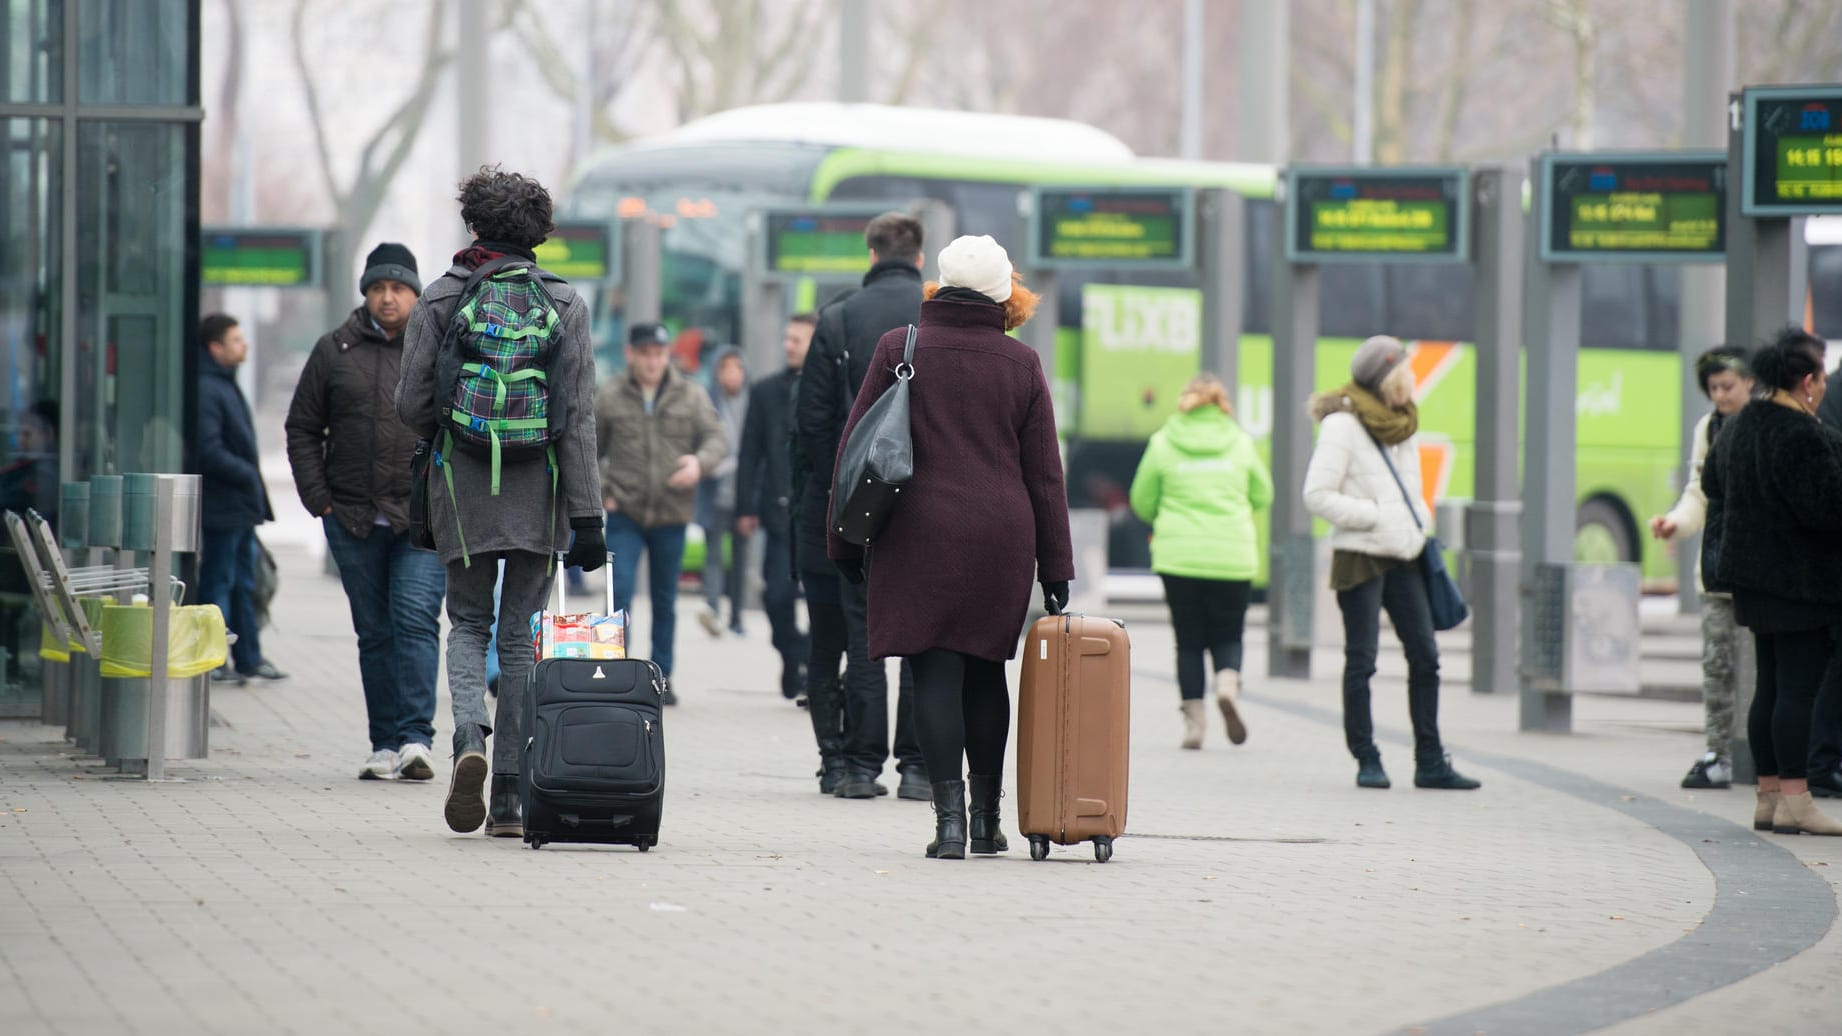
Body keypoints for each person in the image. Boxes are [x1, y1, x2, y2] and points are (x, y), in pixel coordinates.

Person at [829, 234, 1074, 859]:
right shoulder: (1021, 364)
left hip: (918, 532)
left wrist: (844, 543)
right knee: (987, 672)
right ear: (1001, 293)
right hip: (1002, 536)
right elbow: (1045, 474)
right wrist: (1056, 566)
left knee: (934, 669)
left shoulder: (899, 347)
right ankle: (989, 822)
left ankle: (949, 826)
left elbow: (856, 448)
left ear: (940, 284)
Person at [396, 166, 606, 837]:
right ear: (539, 232)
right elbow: (578, 421)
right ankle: (512, 797)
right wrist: (588, 516)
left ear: (474, 225)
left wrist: (452, 434)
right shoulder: (566, 303)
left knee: (466, 625)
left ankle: (469, 743)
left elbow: (410, 404)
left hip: (461, 487)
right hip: (539, 493)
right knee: (520, 639)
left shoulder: (441, 297)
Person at [285, 243, 446, 783]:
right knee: (375, 632)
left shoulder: (437, 350)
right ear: (366, 294)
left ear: (416, 294)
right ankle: (384, 743)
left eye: (398, 288)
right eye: (378, 288)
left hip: (420, 518)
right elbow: (303, 427)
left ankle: (416, 739)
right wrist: (319, 499)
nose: (388, 297)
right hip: (351, 518)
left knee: (416, 621)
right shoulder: (334, 350)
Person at [1303, 335, 1479, 792]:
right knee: (1362, 660)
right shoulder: (1343, 426)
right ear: (1389, 378)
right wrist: (1375, 518)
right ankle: (1367, 756)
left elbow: (1412, 489)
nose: (1414, 381)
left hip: (1405, 553)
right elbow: (1316, 495)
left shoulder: (1404, 422)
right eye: (1407, 372)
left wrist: (1416, 521)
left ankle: (1430, 760)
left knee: (1426, 657)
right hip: (1361, 557)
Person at [796, 212, 929, 800]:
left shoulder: (839, 317)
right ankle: (921, 769)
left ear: (871, 255)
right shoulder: (938, 319)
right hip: (927, 501)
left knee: (863, 632)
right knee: (922, 635)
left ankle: (857, 767)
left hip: (858, 500)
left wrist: (839, 498)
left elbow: (814, 425)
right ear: (920, 259)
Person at [1701, 328, 1842, 837]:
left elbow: (1712, 483)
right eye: (1822, 377)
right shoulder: (1803, 434)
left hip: (1752, 579)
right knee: (1799, 691)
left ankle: (1767, 798)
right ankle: (1797, 800)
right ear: (1807, 381)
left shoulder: (1740, 426)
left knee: (1771, 685)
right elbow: (1825, 509)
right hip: (1800, 581)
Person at [1129, 372, 1273, 750]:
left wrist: (1166, 514)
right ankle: (1227, 683)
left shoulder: (1163, 443)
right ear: (1222, 405)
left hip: (1179, 557)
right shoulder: (1240, 443)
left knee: (1189, 641)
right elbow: (1264, 494)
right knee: (1229, 633)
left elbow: (1141, 500)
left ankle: (1194, 725)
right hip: (1232, 554)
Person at [595, 322, 727, 707]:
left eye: (659, 353)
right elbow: (589, 449)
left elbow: (716, 438)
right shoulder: (611, 396)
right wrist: (605, 490)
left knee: (665, 598)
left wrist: (698, 465)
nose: (653, 361)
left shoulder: (690, 394)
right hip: (625, 513)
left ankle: (662, 676)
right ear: (631, 354)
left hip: (672, 512)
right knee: (617, 592)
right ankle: (614, 673)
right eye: (646, 353)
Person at [1647, 346, 1754, 791]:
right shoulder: (1708, 428)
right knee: (1716, 666)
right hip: (1716, 570)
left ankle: (1766, 758)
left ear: (1751, 383)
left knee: (1764, 670)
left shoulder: (1766, 426)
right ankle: (1719, 754)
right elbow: (1698, 493)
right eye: (1713, 388)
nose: (1721, 396)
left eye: (1728, 386)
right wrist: (1675, 523)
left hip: (1761, 574)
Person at [196, 313, 285, 685]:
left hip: (239, 506)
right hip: (224, 505)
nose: (244, 344)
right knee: (219, 581)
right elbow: (209, 448)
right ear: (215, 347)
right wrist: (247, 474)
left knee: (243, 583)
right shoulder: (207, 387)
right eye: (235, 339)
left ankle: (248, 658)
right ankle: (211, 659)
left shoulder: (224, 383)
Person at [736, 314, 816, 700]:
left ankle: (815, 672)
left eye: (797, 340)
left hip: (819, 515)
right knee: (776, 597)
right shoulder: (766, 390)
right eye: (787, 338)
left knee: (822, 602)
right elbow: (750, 452)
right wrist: (743, 508)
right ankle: (792, 653)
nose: (789, 345)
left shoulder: (827, 388)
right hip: (778, 514)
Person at [697, 345, 750, 639]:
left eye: (737, 368)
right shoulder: (708, 403)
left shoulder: (752, 403)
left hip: (742, 496)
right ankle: (713, 609)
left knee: (742, 558)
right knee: (714, 555)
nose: (732, 374)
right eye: (726, 368)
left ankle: (738, 617)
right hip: (715, 493)